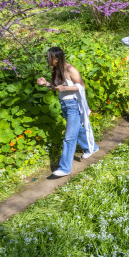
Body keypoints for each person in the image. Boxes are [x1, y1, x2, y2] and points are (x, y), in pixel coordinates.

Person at [36, 47, 99, 177]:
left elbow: (81, 86)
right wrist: (46, 83)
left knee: (69, 137)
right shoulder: (57, 70)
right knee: (77, 129)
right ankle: (91, 147)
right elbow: (57, 88)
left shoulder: (70, 69)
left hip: (73, 105)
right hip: (64, 104)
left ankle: (65, 168)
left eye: (49, 57)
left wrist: (65, 87)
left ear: (56, 58)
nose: (47, 60)